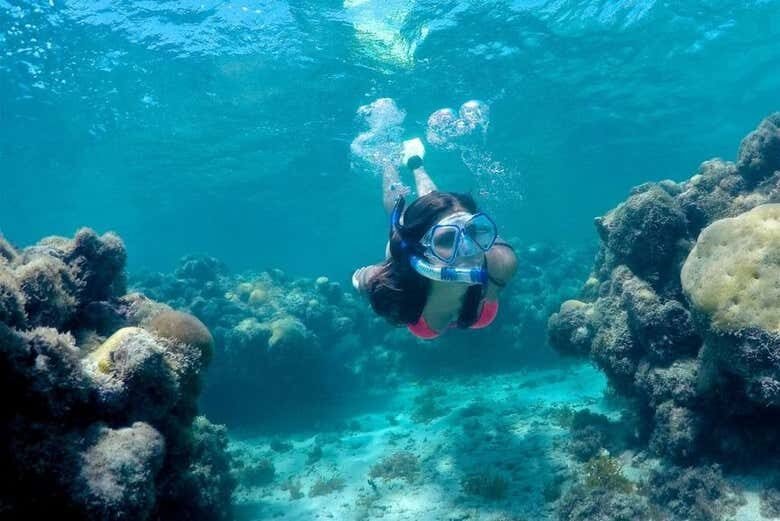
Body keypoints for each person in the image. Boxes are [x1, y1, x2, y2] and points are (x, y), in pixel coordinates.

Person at [352, 138, 517, 339]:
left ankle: (415, 163)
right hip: (406, 249)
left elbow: (457, 223)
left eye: (472, 233)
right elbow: (363, 280)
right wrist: (364, 283)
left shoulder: (500, 264)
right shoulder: (394, 285)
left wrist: (464, 232)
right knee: (399, 214)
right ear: (421, 249)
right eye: (447, 240)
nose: (468, 248)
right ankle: (387, 160)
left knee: (441, 207)